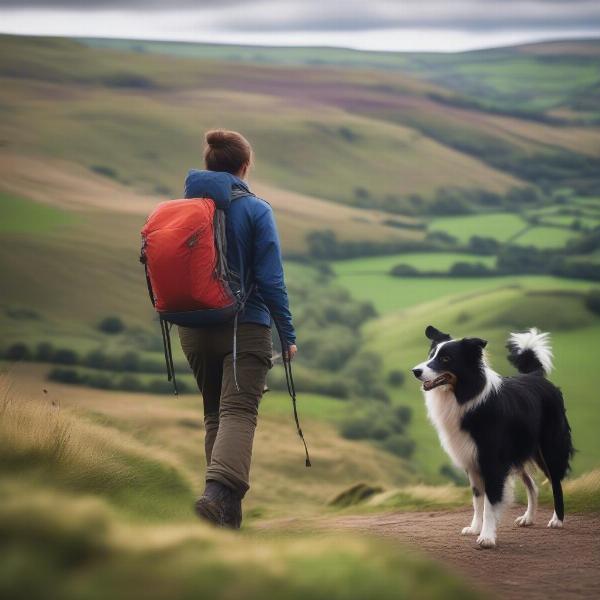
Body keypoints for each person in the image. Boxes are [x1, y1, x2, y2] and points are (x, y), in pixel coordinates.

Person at [178, 129, 296, 529]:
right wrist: (287, 333)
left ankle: (225, 519)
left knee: (216, 415)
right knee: (239, 413)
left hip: (192, 328)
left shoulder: (183, 209)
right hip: (245, 325)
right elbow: (270, 279)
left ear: (208, 164)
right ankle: (214, 497)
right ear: (244, 167)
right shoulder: (256, 209)